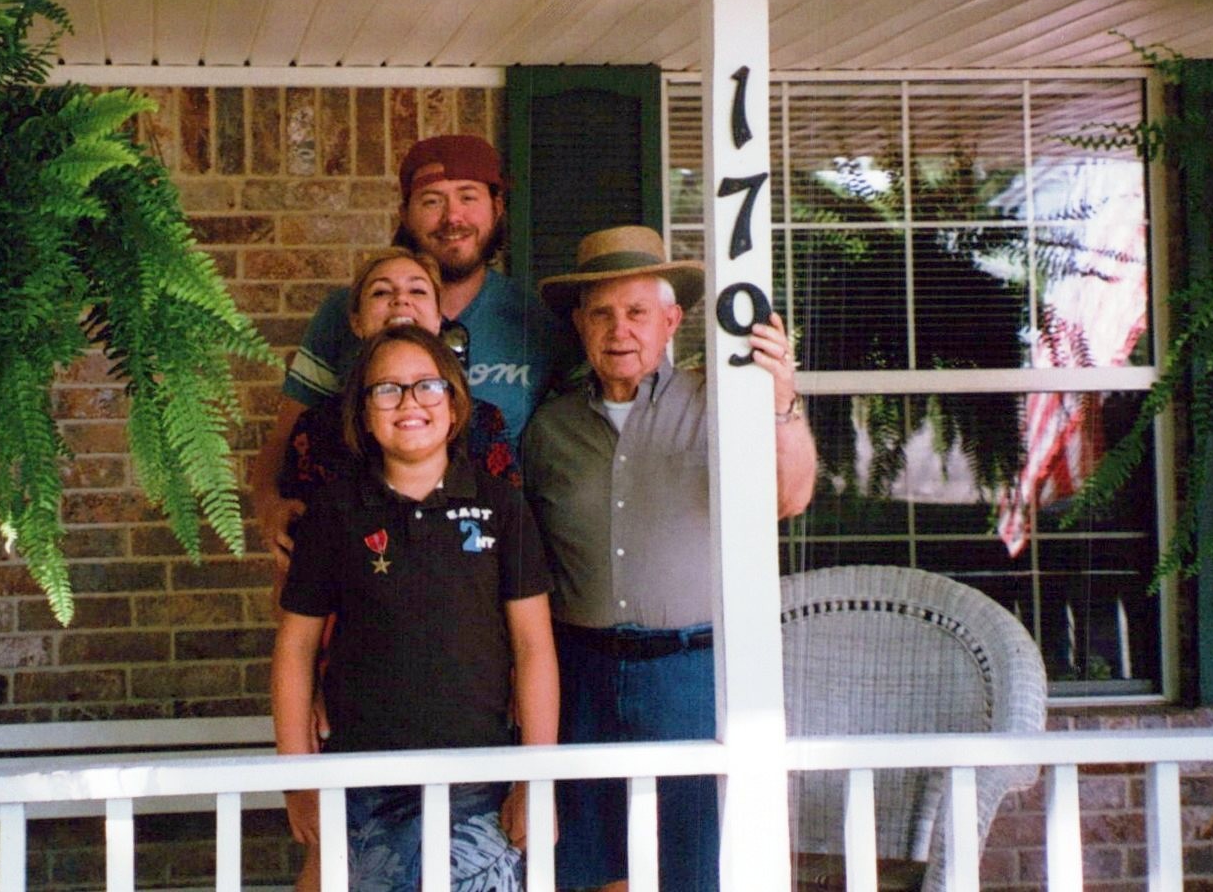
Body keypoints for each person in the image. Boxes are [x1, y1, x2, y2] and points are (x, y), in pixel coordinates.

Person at [520, 225, 817, 892]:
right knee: (591, 867)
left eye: (636, 312)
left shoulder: (718, 403)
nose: (619, 330)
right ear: (579, 325)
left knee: (691, 866)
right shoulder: (549, 429)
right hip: (579, 675)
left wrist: (782, 404)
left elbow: (789, 498)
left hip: (688, 674)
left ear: (671, 321)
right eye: (601, 313)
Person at [272, 324, 560, 892]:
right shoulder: (334, 512)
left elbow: (533, 647)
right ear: (363, 414)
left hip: (480, 780)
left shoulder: (502, 506)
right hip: (360, 782)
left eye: (428, 386)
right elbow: (295, 647)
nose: (409, 403)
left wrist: (536, 779)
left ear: (454, 406)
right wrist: (297, 781)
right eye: (387, 389)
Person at [253, 134, 564, 567]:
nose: (452, 217)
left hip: (489, 562)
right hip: (363, 561)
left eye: (468, 197)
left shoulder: (536, 322)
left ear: (497, 207)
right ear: (405, 213)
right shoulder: (343, 314)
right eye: (432, 201)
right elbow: (286, 439)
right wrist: (269, 506)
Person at [279, 246, 519, 507]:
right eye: (381, 292)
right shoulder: (316, 431)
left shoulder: (483, 424)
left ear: (438, 318)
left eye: (417, 291)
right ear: (356, 321)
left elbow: (510, 516)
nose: (401, 300)